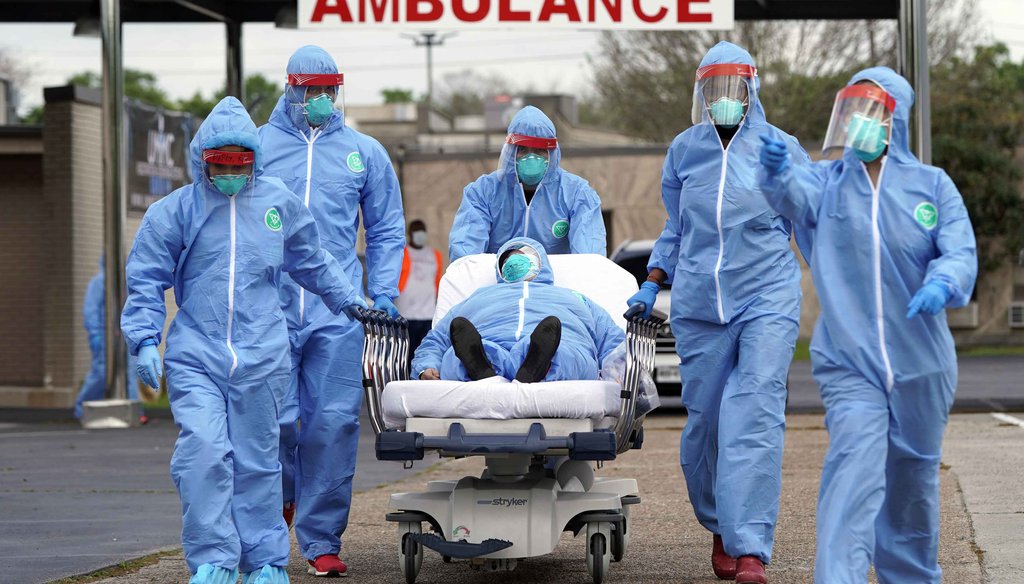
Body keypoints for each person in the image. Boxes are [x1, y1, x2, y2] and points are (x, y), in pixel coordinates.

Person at [121, 96, 365, 584]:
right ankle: (213, 557)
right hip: (197, 354)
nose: (231, 171)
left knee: (258, 461)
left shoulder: (277, 202)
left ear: (254, 159)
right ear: (202, 161)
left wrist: (348, 300)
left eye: (241, 162)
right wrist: (145, 338)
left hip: (263, 353)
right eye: (221, 163)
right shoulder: (176, 211)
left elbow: (312, 259)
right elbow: (146, 276)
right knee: (205, 454)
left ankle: (265, 560)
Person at [758, 67, 977, 584]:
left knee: (912, 483)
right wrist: (775, 175)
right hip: (851, 361)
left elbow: (960, 249)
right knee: (854, 469)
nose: (859, 123)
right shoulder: (827, 182)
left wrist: (943, 282)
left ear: (894, 121)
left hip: (922, 364)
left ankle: (911, 577)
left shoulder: (932, 186)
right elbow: (793, 195)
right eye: (853, 111)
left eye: (872, 112)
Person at [626, 41, 810, 584]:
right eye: (714, 90)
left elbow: (815, 221)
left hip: (767, 297)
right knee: (703, 425)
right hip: (700, 305)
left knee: (753, 415)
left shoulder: (781, 148)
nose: (724, 100)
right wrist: (651, 281)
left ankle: (750, 546)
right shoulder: (685, 150)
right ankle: (721, 525)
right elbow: (677, 228)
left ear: (752, 91)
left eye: (734, 89)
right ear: (701, 94)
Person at [258, 45, 405, 578]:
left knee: (334, 423)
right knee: (272, 421)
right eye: (311, 90)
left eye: (329, 90)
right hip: (267, 307)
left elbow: (387, 228)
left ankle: (321, 539)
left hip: (338, 310)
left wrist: (382, 290)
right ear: (292, 89)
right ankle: (278, 502)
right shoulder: (257, 145)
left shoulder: (364, 152)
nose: (321, 99)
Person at [413, 237, 624, 383]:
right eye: (508, 258)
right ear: (500, 268)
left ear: (540, 262)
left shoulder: (574, 297)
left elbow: (610, 336)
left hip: (560, 342)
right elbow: (437, 339)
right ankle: (483, 362)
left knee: (568, 354)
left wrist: (617, 370)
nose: (514, 260)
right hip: (490, 338)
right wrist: (426, 366)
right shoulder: (477, 297)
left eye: (521, 255)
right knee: (456, 354)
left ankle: (529, 363)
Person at [448, 106, 606, 261]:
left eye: (539, 150)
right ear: (510, 152)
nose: (531, 158)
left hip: (556, 286)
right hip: (498, 285)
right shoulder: (482, 193)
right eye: (523, 149)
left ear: (552, 153)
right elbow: (465, 257)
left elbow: (590, 259)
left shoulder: (577, 194)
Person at [73, 255, 141, 419]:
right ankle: (82, 408)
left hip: (125, 334)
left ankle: (133, 412)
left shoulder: (125, 282)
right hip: (105, 336)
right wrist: (95, 333)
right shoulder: (99, 282)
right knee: (101, 372)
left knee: (129, 372)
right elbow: (91, 311)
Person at [394, 219, 443, 359]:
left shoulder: (435, 255)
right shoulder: (401, 253)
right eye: (416, 231)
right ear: (410, 234)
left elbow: (437, 281)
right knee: (405, 355)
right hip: (405, 313)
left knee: (424, 352)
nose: (419, 235)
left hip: (428, 314)